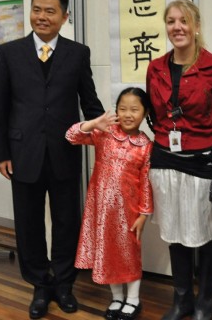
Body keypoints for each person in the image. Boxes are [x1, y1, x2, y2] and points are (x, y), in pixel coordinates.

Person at [0, 0, 104, 319]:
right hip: (22, 152)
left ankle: (65, 284)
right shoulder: (9, 53)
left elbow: (90, 101)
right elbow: (0, 107)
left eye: (50, 11)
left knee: (68, 221)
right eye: (37, 9)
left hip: (65, 151)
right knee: (28, 224)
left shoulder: (78, 53)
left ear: (65, 17)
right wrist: (1, 152)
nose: (42, 17)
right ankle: (40, 285)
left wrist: (109, 129)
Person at [146, 0, 212, 320]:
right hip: (165, 162)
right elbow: (156, 116)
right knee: (175, 234)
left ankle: (205, 303)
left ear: (196, 26)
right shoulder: (155, 67)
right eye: (171, 21)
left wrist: (206, 144)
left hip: (201, 164)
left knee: (205, 235)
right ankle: (182, 300)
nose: (177, 27)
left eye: (184, 21)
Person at [65, 87, 154, 320]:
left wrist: (144, 214)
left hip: (129, 211)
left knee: (129, 253)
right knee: (108, 252)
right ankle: (116, 297)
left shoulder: (146, 146)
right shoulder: (105, 133)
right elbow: (71, 136)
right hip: (101, 208)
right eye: (123, 108)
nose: (127, 114)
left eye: (134, 109)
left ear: (145, 113)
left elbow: (146, 184)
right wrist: (95, 121)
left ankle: (133, 299)